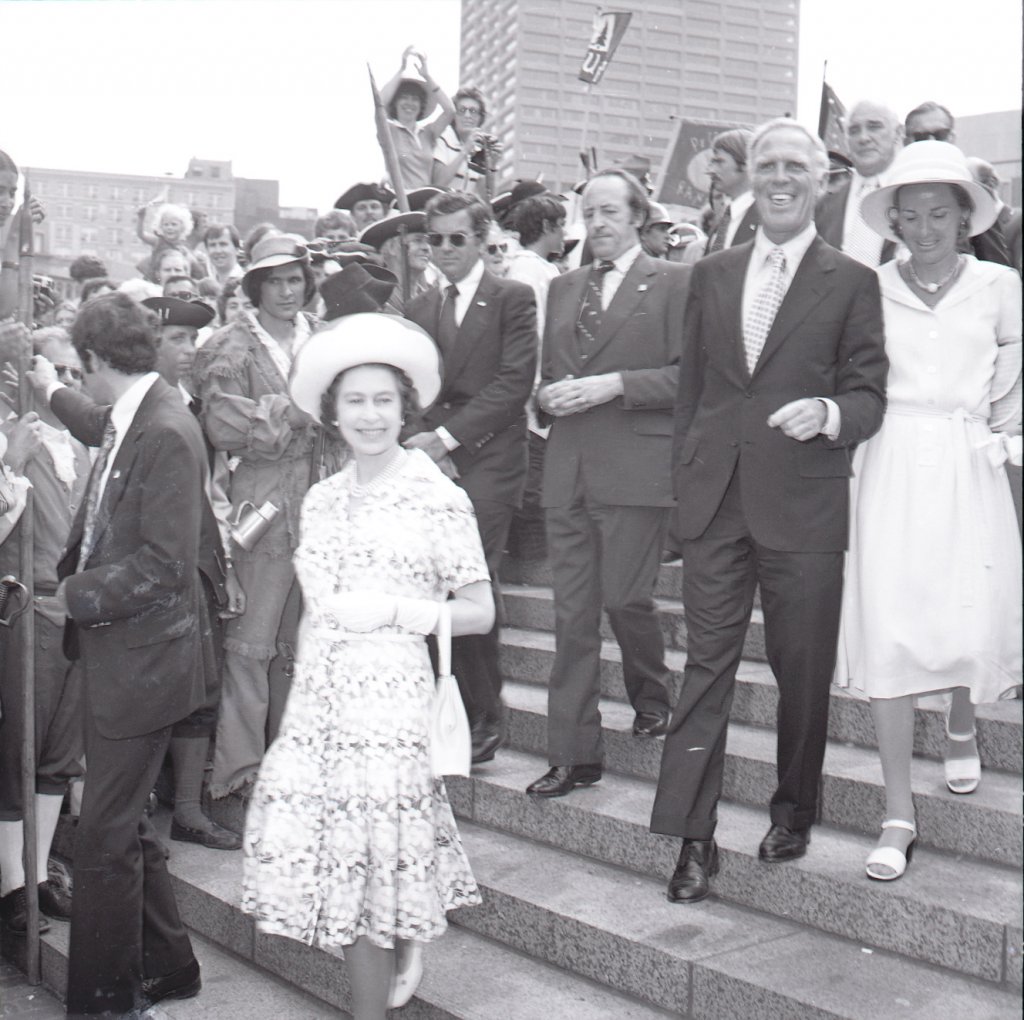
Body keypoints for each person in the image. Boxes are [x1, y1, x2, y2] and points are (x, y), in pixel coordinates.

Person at [650, 119, 888, 902]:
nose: (780, 178)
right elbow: (692, 394)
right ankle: (692, 839)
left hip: (804, 507)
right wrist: (684, 494)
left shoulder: (852, 281)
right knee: (704, 671)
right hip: (715, 505)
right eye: (767, 165)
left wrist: (828, 412)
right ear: (750, 178)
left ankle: (794, 810)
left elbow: (868, 396)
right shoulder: (711, 274)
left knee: (803, 671)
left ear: (822, 179)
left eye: (795, 166)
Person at [243, 312, 493, 1020]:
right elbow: (317, 612)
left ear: (405, 408)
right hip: (324, 699)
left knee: (369, 859)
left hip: (393, 698)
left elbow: (479, 611)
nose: (371, 415)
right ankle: (399, 942)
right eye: (355, 400)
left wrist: (398, 611)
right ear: (333, 412)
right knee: (344, 860)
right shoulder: (322, 499)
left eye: (384, 400)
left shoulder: (437, 495)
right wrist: (300, 714)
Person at [838, 141, 1022, 881]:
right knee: (890, 626)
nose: (924, 228)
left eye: (939, 214)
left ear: (965, 216)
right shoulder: (868, 287)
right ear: (893, 222)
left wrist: (1005, 432)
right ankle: (897, 812)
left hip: (967, 460)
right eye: (910, 216)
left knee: (967, 609)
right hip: (888, 464)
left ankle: (962, 719)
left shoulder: (1001, 285)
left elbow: (1014, 376)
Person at [50, 293, 210, 1015]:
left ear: (94, 359)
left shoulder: (166, 428)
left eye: (76, 369)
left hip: (144, 668)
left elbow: (164, 566)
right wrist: (43, 386)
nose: (78, 381)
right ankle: (171, 966)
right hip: (131, 661)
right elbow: (93, 422)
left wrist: (76, 595)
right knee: (125, 823)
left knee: (104, 837)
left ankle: (107, 1001)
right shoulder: (136, 410)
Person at [526, 169, 688, 799]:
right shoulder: (563, 287)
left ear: (638, 217)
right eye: (588, 213)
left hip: (637, 472)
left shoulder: (674, 281)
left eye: (609, 212)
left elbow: (690, 377)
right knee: (572, 619)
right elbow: (551, 376)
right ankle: (573, 755)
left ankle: (653, 692)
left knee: (625, 599)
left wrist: (616, 385)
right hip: (568, 471)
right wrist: (546, 397)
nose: (596, 223)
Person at [404, 192, 536, 765]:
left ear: (482, 238)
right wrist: (430, 444)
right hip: (435, 462)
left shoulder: (512, 297)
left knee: (468, 579)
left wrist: (448, 439)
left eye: (457, 238)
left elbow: (513, 385)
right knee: (438, 581)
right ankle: (455, 707)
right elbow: (413, 387)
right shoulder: (421, 307)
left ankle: (485, 714)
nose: (445, 249)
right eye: (435, 239)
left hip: (491, 458)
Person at [192, 236, 322, 800]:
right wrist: (292, 414)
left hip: (327, 500)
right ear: (255, 287)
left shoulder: (326, 338)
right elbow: (223, 425)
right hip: (262, 505)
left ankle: (296, 765)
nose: (287, 290)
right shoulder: (229, 346)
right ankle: (241, 772)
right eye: (274, 280)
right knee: (250, 643)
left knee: (308, 641)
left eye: (295, 278)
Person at [0, 328, 87, 937]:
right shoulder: (9, 436)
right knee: (17, 751)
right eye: (52, 369)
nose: (63, 382)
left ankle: (36, 873)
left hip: (77, 613)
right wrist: (9, 464)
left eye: (74, 372)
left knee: (58, 753)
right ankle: (10, 886)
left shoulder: (84, 444)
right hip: (22, 611)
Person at [505, 194, 566, 560]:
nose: (564, 235)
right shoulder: (527, 270)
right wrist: (538, 388)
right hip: (533, 395)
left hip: (545, 389)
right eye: (560, 227)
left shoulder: (542, 268)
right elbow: (534, 335)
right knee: (533, 481)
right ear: (545, 227)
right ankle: (529, 560)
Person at [815, 100, 903, 267]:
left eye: (874, 127)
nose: (863, 138)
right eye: (854, 131)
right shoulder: (823, 206)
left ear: (897, 133)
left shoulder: (915, 194)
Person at [380, 47, 455, 190]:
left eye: (415, 99)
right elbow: (380, 103)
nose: (409, 103)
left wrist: (427, 76)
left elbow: (450, 110)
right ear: (395, 103)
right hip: (399, 198)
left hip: (425, 199)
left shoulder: (427, 132)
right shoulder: (389, 130)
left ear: (421, 105)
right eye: (404, 97)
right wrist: (401, 69)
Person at [360, 210, 434, 316]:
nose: (426, 248)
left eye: (428, 242)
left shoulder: (431, 296)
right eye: (418, 240)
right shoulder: (374, 296)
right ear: (391, 248)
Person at [703, 128, 759, 254]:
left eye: (719, 162)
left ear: (746, 164)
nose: (710, 170)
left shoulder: (766, 219)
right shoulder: (725, 217)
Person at [432, 86, 494, 193]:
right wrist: (465, 150)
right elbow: (438, 184)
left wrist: (491, 165)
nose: (467, 115)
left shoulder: (479, 147)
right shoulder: (443, 138)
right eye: (462, 110)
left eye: (473, 111)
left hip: (465, 203)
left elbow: (486, 197)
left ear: (480, 117)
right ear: (454, 115)